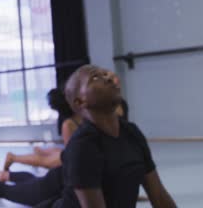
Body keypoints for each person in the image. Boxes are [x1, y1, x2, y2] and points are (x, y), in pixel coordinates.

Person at [49, 64, 176, 208]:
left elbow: (159, 196)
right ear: (80, 102)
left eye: (106, 74)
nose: (108, 78)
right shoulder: (82, 145)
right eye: (95, 77)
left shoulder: (131, 132)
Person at [0, 88, 75, 206]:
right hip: (51, 187)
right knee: (8, 191)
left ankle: (6, 175)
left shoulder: (80, 123)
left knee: (35, 181)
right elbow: (57, 160)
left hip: (56, 183)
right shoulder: (70, 124)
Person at [3, 88, 82, 171]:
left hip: (77, 154)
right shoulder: (71, 122)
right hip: (75, 157)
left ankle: (41, 151)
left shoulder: (73, 120)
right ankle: (13, 158)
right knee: (45, 161)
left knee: (59, 153)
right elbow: (70, 154)